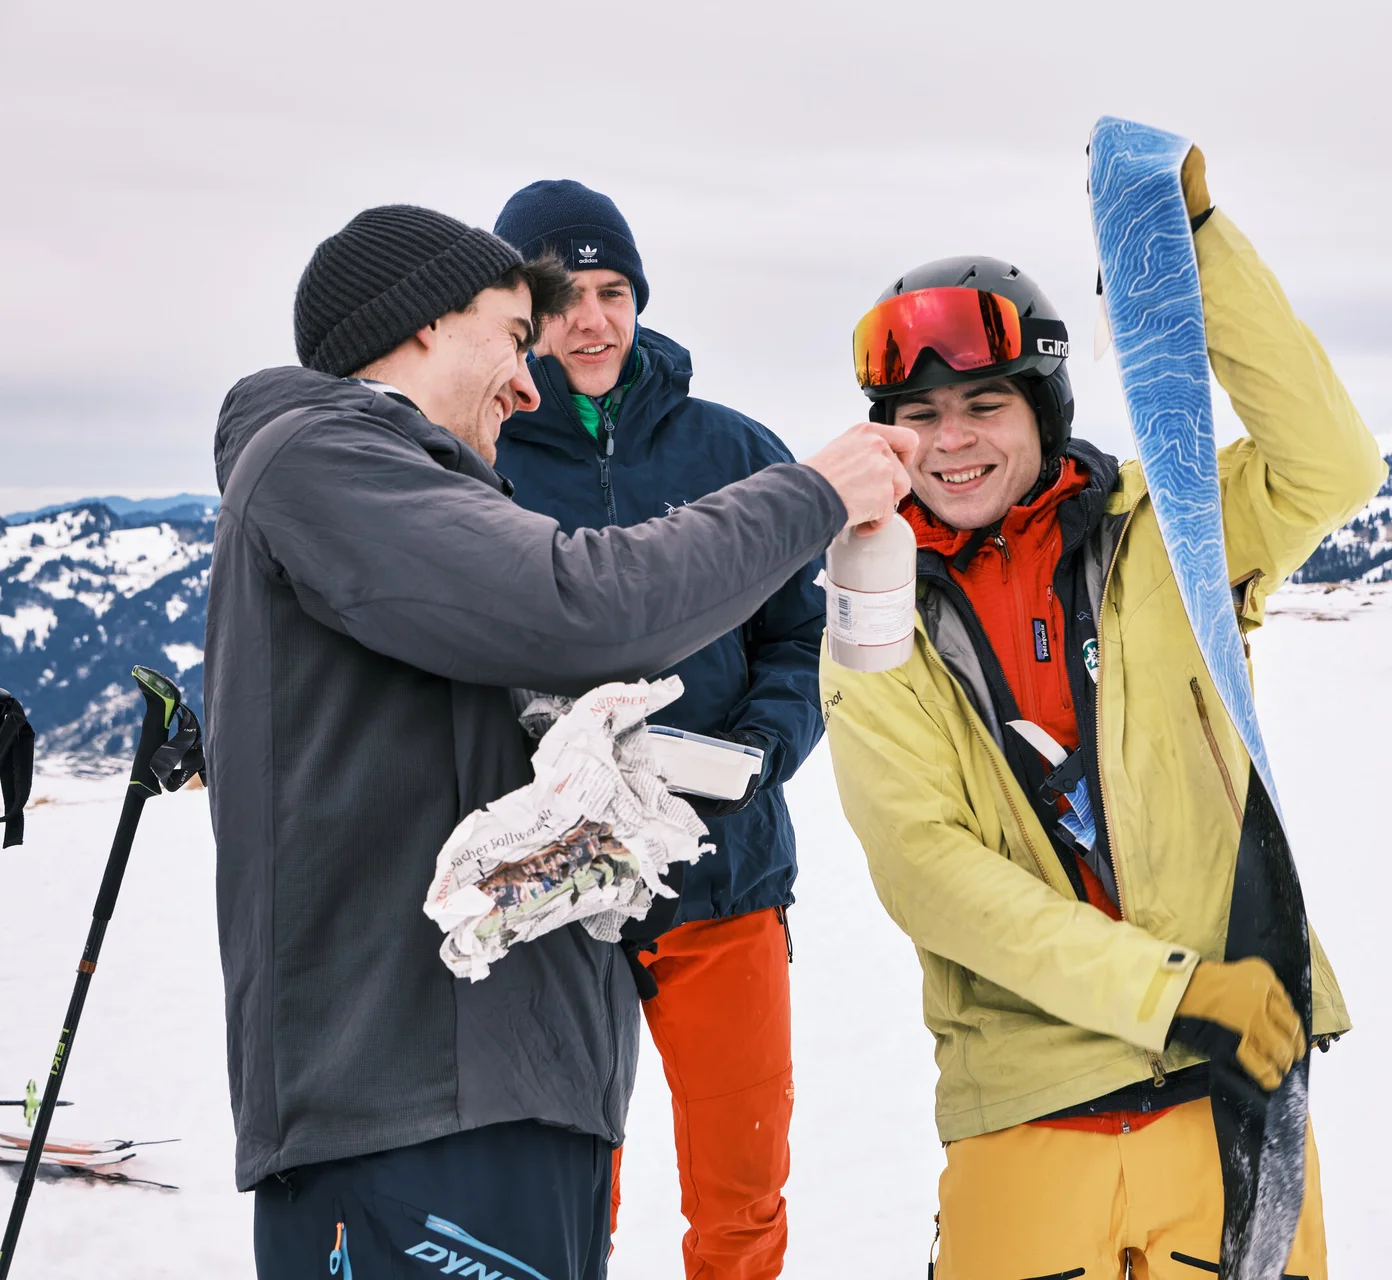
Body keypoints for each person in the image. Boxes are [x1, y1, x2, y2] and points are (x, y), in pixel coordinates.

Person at [205, 205, 915, 1279]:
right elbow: (578, 603)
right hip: (416, 1105)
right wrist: (816, 492)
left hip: (506, 1085)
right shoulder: (328, 457)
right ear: (425, 326)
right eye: (513, 330)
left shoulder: (410, 474)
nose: (533, 379)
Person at [819, 148, 1382, 1280]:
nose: (956, 438)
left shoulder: (1172, 525)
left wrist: (1200, 249)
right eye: (922, 414)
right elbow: (929, 868)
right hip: (1032, 1103)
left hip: (1228, 1095)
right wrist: (1173, 988)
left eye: (986, 401)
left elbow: (1330, 466)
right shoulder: (875, 613)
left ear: (1044, 404)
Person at [491, 180, 816, 1279]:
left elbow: (799, 637)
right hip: (553, 885)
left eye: (613, 290)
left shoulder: (735, 450)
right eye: (562, 294)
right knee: (567, 1193)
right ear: (519, 312)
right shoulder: (481, 462)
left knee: (739, 1191)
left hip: (722, 874)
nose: (592, 319)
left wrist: (761, 753)